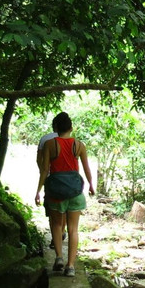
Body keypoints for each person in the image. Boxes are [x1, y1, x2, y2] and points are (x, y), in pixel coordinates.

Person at [35, 112, 95, 277]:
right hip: (75, 192)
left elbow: (45, 169)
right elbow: (87, 168)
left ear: (55, 128)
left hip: (55, 192)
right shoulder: (79, 145)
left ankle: (59, 257)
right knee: (74, 229)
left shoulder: (50, 144)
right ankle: (70, 267)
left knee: (56, 225)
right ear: (71, 127)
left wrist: (38, 191)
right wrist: (90, 185)